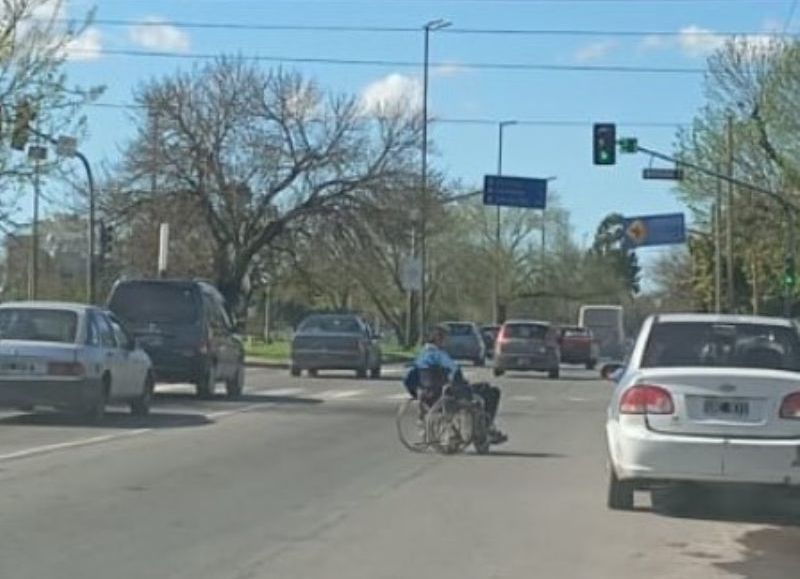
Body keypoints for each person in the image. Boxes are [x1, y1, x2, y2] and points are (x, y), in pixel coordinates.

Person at [404, 325, 507, 445]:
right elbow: (455, 369)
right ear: (438, 339)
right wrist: (460, 383)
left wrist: (415, 392)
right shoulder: (438, 355)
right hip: (447, 395)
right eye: (446, 338)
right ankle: (488, 428)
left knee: (483, 388)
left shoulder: (421, 356)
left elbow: (408, 378)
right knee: (491, 391)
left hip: (427, 396)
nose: (447, 342)